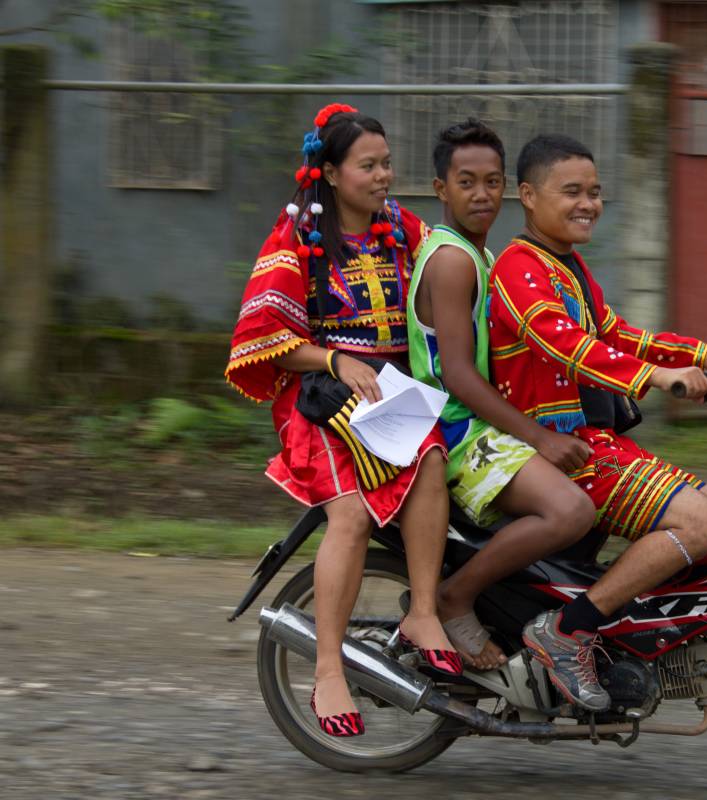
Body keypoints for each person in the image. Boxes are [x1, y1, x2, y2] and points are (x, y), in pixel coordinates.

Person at [226, 104, 460, 738]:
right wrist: (335, 356)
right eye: (368, 166)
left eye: (387, 163)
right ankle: (329, 667)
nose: (384, 176)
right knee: (350, 514)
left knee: (433, 462)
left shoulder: (403, 228)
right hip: (322, 396)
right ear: (329, 172)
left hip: (396, 394)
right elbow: (264, 337)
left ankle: (423, 613)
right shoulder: (296, 237)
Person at [488, 134, 707, 712]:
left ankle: (633, 637)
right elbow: (565, 342)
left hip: (593, 443)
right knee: (699, 524)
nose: (588, 203)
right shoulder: (518, 268)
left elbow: (619, 334)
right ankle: (569, 632)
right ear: (527, 195)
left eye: (595, 192)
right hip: (555, 453)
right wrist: (656, 377)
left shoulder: (567, 268)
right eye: (571, 191)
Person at [407, 119, 594, 671]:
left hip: (483, 424)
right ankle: (454, 596)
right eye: (466, 182)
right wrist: (536, 435)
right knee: (570, 510)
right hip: (459, 431)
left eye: (492, 182)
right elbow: (461, 377)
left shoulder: (481, 257)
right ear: (441, 189)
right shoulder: (454, 260)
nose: (482, 195)